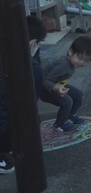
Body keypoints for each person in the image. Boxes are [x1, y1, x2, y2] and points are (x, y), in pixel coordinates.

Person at [0, 16, 48, 174]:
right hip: (5, 129)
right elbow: (27, 108)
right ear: (33, 42)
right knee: (33, 121)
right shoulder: (30, 69)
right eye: (38, 44)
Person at [41, 36, 91, 133]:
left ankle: (70, 115)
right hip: (44, 89)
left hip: (56, 84)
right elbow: (45, 81)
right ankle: (59, 124)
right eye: (80, 58)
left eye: (86, 61)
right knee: (67, 101)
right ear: (71, 52)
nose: (82, 62)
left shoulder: (70, 63)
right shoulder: (62, 66)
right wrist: (55, 88)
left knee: (78, 95)